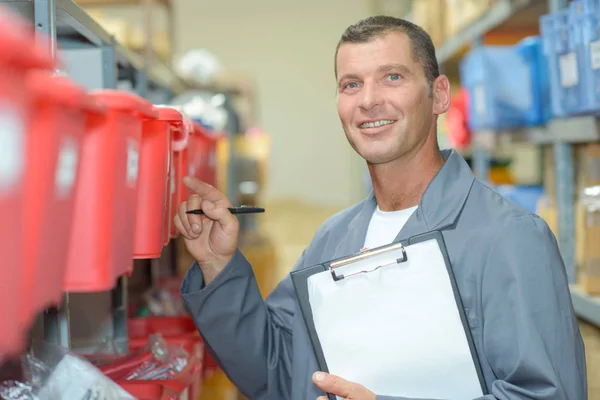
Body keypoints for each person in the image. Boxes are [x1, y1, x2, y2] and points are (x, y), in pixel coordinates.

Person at [175, 16, 587, 400]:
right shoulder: (334, 238)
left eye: (392, 77)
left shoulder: (509, 237)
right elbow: (277, 371)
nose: (369, 101)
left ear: (439, 94)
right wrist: (218, 266)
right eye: (351, 84)